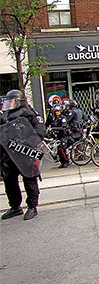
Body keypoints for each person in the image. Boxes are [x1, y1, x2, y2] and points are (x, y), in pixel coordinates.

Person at [0, 89, 47, 220]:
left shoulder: (29, 114)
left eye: (12, 102)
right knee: (9, 181)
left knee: (29, 179)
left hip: (25, 153)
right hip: (9, 154)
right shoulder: (5, 115)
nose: (9, 105)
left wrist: (26, 141)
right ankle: (15, 207)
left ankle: (32, 206)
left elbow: (40, 131)